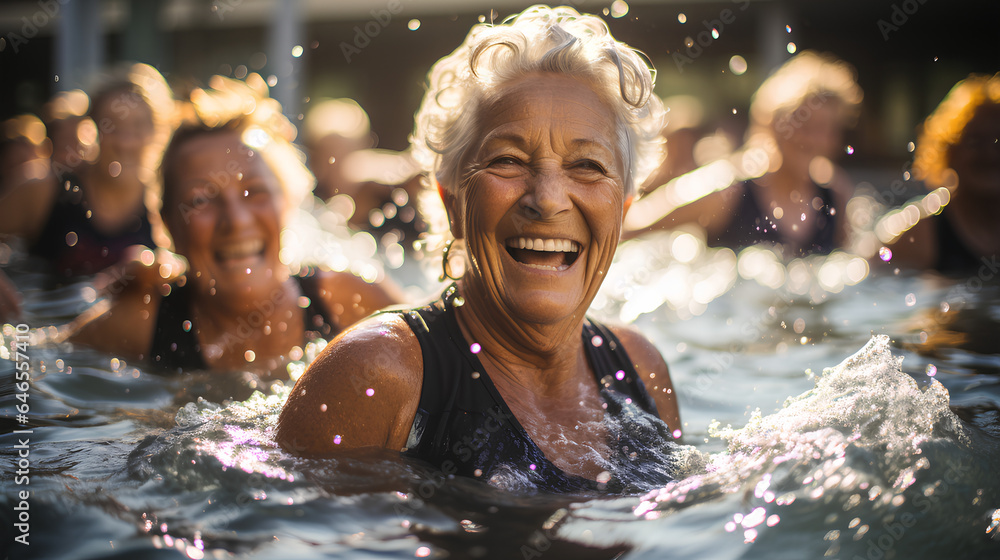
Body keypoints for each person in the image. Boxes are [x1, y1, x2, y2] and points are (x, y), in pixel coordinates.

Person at [278, 6, 680, 493]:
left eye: (588, 166)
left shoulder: (639, 367)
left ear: (622, 209)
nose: (548, 199)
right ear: (452, 203)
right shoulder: (378, 374)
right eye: (508, 160)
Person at [70, 74, 401, 376]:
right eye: (201, 199)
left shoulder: (350, 302)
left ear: (287, 204)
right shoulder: (142, 324)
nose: (237, 221)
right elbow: (32, 362)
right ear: (167, 226)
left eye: (254, 192)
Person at [625, 51, 863, 258]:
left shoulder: (835, 193)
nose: (814, 141)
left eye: (826, 129)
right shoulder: (727, 189)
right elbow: (632, 226)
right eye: (804, 125)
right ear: (772, 122)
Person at [877, 73, 1000, 273]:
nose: (990, 154)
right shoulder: (920, 235)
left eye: (999, 141)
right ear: (949, 151)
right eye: (975, 142)